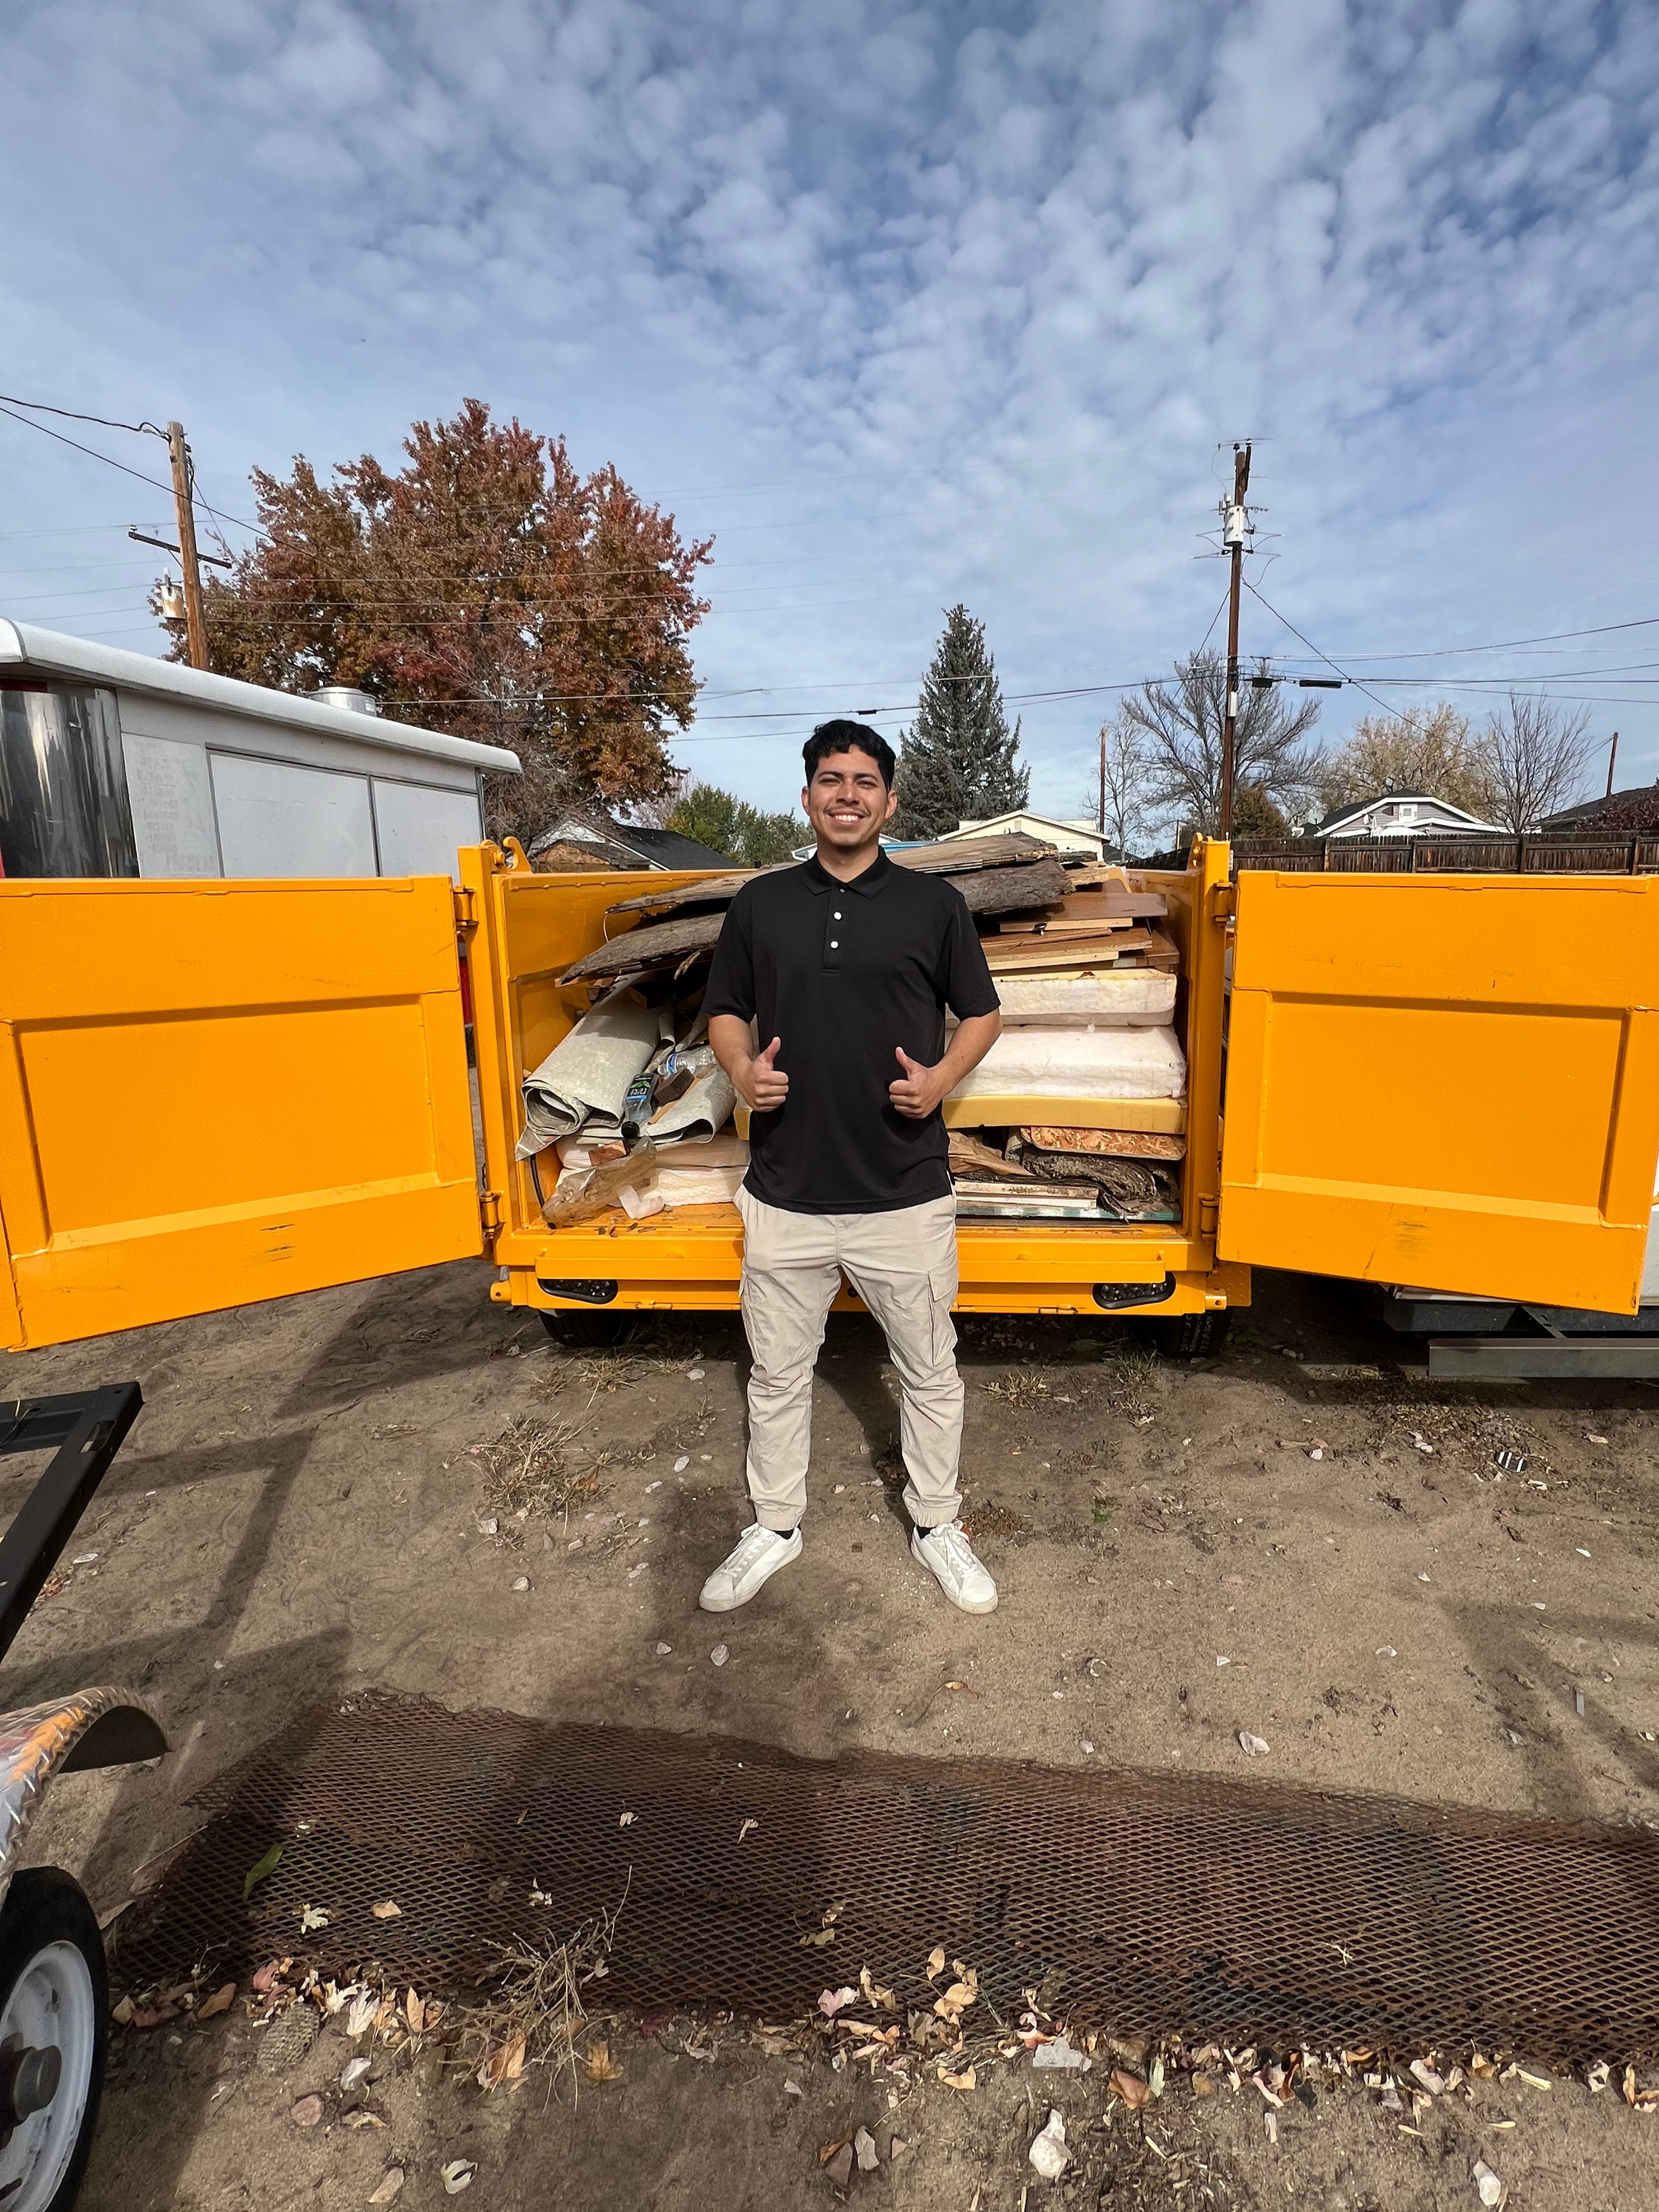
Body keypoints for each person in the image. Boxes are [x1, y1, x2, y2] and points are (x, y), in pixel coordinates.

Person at [698, 719, 1004, 1616]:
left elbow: (981, 1014)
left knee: (929, 1372)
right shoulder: (761, 904)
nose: (847, 793)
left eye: (865, 780)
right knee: (779, 1375)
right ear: (805, 796)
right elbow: (724, 1010)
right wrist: (741, 1070)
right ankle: (775, 1524)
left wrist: (943, 1076)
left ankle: (937, 1522)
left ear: (890, 801)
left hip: (902, 1192)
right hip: (785, 1191)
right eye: (830, 778)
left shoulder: (932, 906)